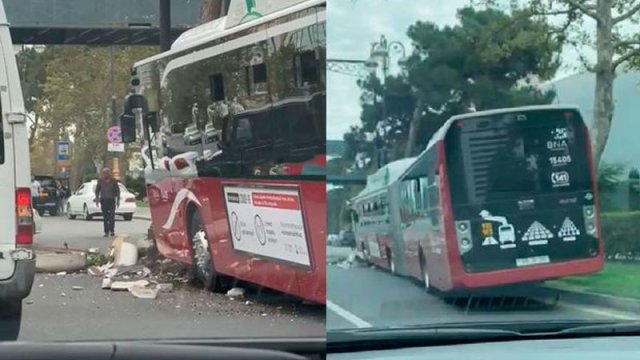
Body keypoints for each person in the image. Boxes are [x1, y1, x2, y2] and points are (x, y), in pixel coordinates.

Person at [94, 168, 120, 237]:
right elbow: (97, 190)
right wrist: (97, 199)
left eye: (107, 173)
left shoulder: (113, 181)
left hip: (111, 200)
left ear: (109, 173)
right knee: (105, 217)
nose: (105, 174)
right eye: (104, 173)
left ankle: (112, 230)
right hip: (103, 200)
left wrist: (118, 200)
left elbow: (117, 191)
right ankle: (106, 231)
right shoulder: (100, 181)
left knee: (112, 216)